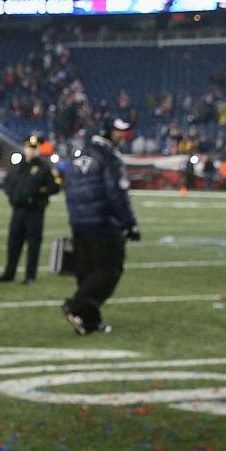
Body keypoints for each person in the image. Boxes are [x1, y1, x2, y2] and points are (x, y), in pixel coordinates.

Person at [60, 115, 139, 336]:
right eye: (117, 131)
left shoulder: (81, 155)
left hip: (79, 223)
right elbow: (117, 193)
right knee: (109, 270)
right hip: (103, 224)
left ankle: (88, 322)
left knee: (87, 273)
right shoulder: (109, 157)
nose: (121, 135)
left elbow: (70, 190)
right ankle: (76, 306)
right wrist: (129, 223)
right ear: (106, 131)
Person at [0, 135, 60, 283]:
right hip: (18, 210)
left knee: (33, 244)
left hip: (35, 211)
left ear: (38, 149)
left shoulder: (44, 168)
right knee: (13, 243)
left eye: (34, 148)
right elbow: (8, 182)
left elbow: (54, 187)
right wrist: (12, 195)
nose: (31, 151)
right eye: (29, 147)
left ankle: (30, 276)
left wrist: (38, 194)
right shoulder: (18, 166)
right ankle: (9, 273)